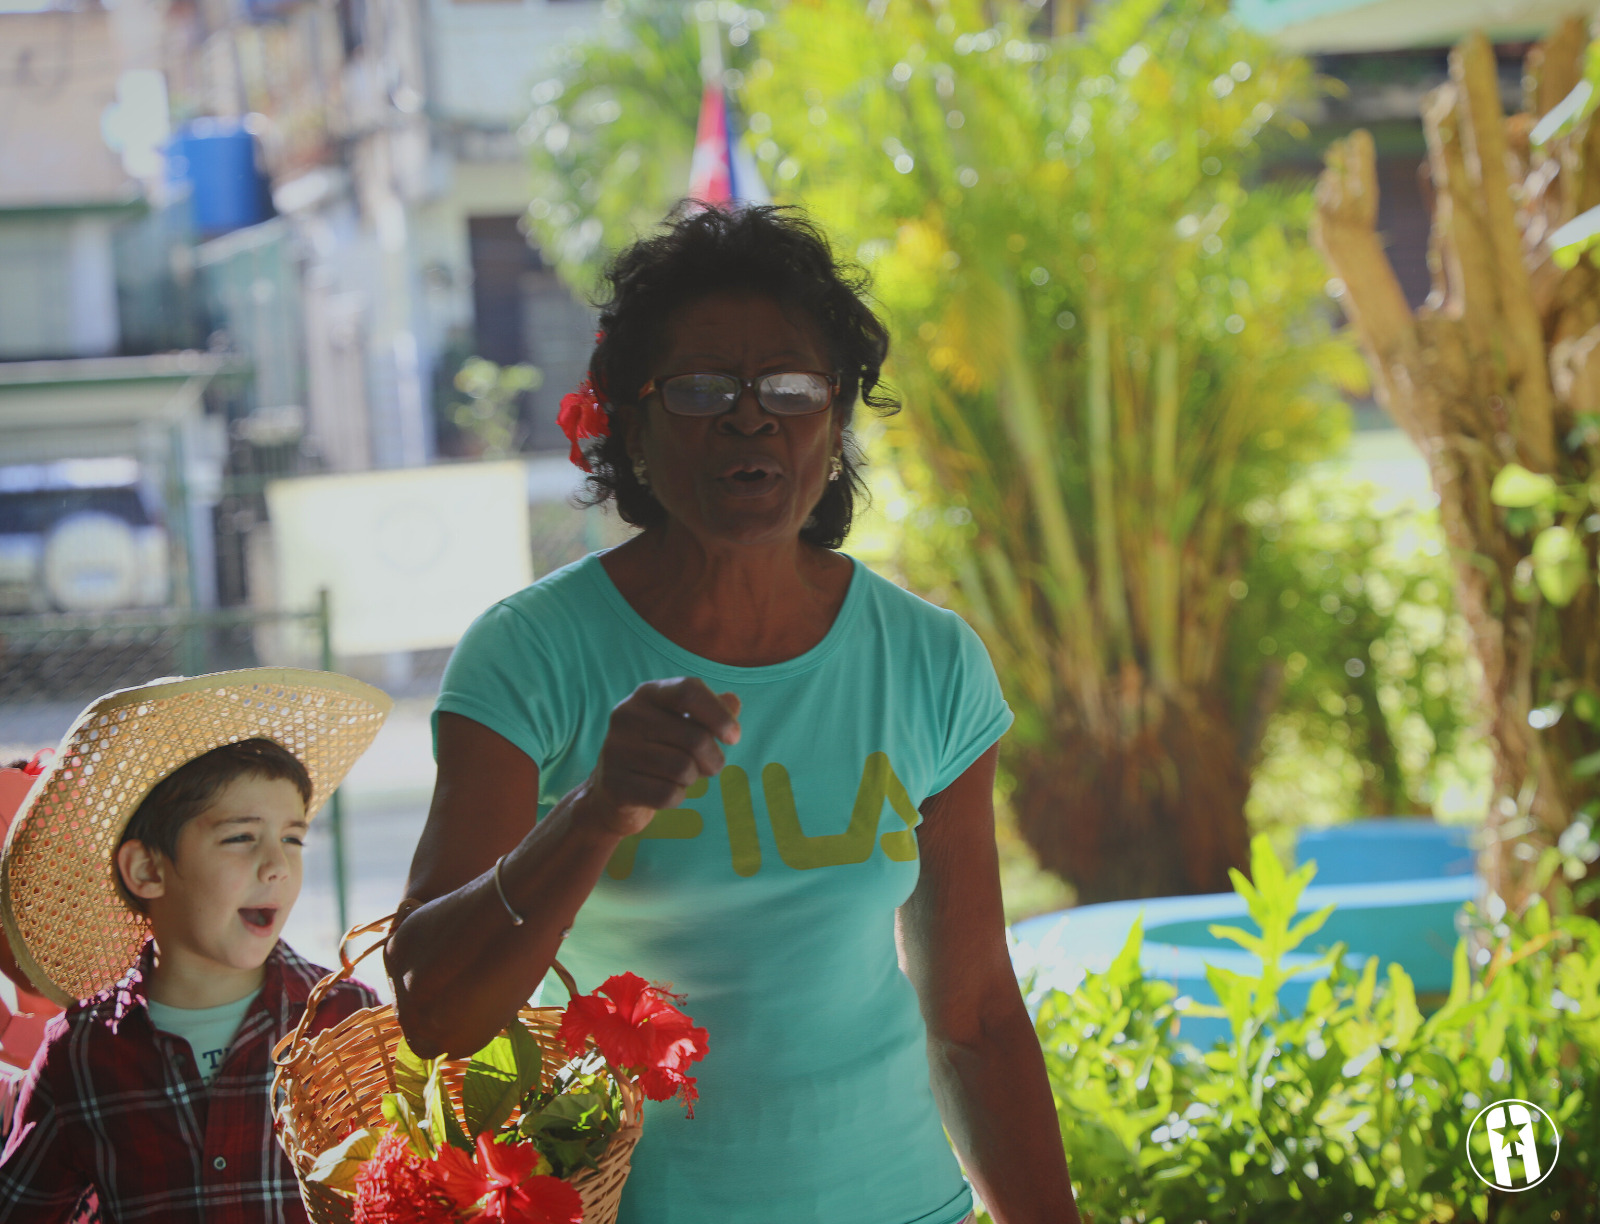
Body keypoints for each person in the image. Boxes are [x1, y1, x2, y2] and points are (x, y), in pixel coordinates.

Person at [387, 205, 1079, 1224]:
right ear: (633, 422)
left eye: (791, 388)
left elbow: (973, 1016)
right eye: (702, 388)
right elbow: (433, 1008)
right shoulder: (530, 654)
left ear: (834, 420)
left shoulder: (928, 661)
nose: (750, 419)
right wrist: (593, 812)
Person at [0, 669, 391, 1223]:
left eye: (292, 838)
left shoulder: (346, 1020)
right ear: (147, 870)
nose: (277, 865)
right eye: (241, 837)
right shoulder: (80, 1052)